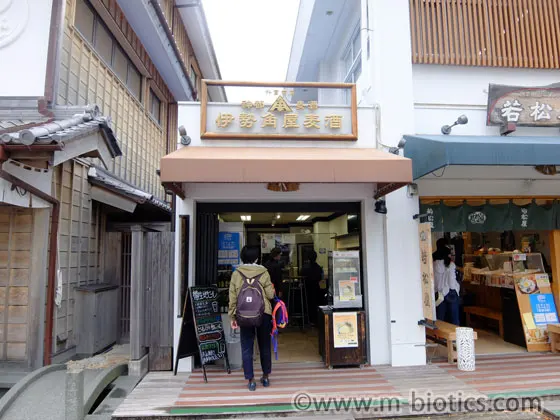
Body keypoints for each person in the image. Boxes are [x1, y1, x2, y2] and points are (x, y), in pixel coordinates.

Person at [229, 246, 275, 391]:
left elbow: (233, 297)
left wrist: (232, 316)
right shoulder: (264, 272)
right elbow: (271, 295)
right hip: (264, 313)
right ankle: (266, 377)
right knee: (264, 345)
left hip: (243, 314)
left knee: (247, 346)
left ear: (242, 257)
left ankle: (251, 380)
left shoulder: (236, 274)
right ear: (256, 258)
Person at [433, 238, 460, 325]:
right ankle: (455, 336)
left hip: (439, 293)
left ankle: (439, 336)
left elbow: (435, 281)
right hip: (450, 292)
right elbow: (452, 282)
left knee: (440, 319)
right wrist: (455, 289)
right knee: (454, 319)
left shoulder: (433, 264)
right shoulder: (450, 264)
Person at [301, 250, 323, 325]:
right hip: (316, 288)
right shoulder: (319, 268)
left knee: (307, 305)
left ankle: (308, 320)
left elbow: (301, 277)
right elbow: (320, 278)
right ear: (316, 257)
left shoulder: (304, 268)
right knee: (315, 304)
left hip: (306, 289)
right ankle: (315, 320)